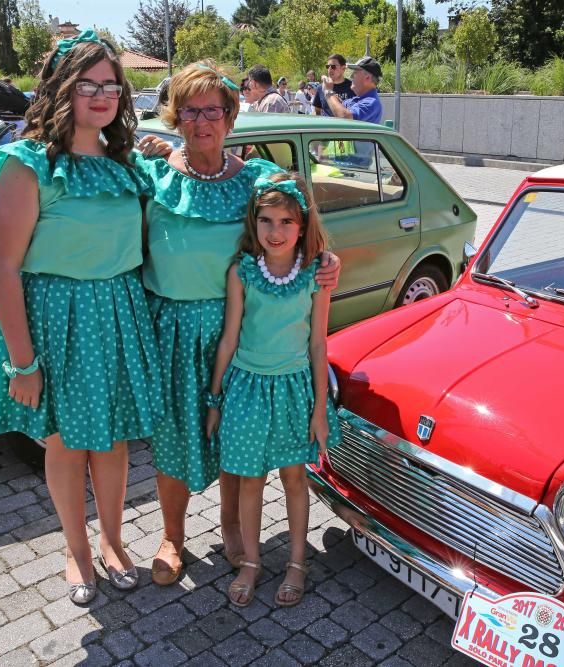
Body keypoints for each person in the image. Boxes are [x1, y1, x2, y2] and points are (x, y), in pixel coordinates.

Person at [133, 60, 341, 587]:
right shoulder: (153, 174)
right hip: (174, 328)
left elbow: (298, 216)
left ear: (230, 116)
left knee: (234, 433)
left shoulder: (254, 179)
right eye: (189, 111)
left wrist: (326, 259)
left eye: (213, 111)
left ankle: (231, 527)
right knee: (174, 435)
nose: (202, 121)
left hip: (239, 329)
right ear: (174, 117)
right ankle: (172, 536)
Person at [0, 30, 160, 605]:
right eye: (88, 85)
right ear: (61, 90)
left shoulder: (127, 164)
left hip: (118, 312)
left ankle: (112, 541)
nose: (102, 96)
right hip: (58, 322)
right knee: (66, 445)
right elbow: (3, 269)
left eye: (110, 85)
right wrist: (23, 362)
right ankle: (76, 551)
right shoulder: (27, 164)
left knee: (113, 445)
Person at [206, 171, 341, 607]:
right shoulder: (242, 271)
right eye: (266, 221)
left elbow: (318, 344)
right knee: (249, 479)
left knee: (294, 478)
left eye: (286, 222)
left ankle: (297, 562)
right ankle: (251, 560)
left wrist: (320, 408)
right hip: (246, 387)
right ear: (254, 223)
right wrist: (214, 398)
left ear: (302, 225)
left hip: (292, 390)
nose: (275, 231)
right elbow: (229, 337)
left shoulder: (315, 274)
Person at [320, 55, 383, 125]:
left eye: (355, 72)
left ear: (367, 78)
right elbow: (337, 110)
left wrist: (328, 92)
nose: (351, 76)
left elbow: (344, 118)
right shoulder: (357, 100)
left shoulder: (371, 103)